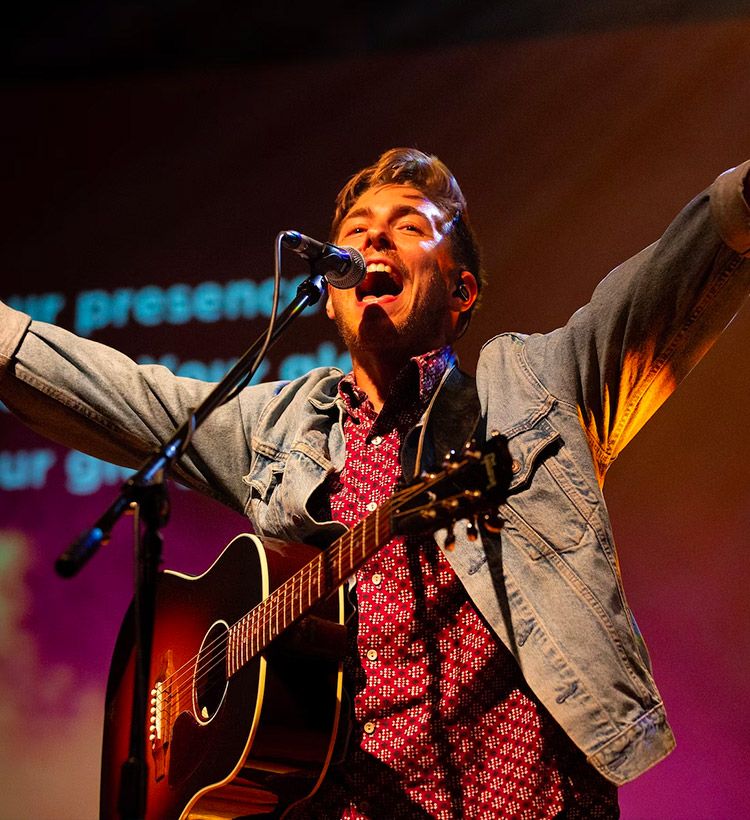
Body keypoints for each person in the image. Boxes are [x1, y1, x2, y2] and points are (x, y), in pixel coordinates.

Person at [1, 148, 749, 818]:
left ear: (461, 291)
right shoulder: (281, 428)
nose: (373, 239)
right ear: (329, 293)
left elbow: (667, 284)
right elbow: (120, 395)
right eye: (357, 228)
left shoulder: (532, 387)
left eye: (409, 225)